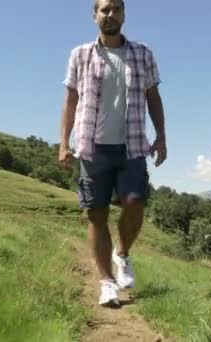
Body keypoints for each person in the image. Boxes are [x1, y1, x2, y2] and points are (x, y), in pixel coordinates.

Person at [58, 0, 167, 308]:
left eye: (116, 9)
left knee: (135, 202)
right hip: (92, 148)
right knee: (96, 214)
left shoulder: (142, 53)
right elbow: (70, 101)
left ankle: (123, 254)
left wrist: (161, 136)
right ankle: (106, 282)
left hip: (132, 145)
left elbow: (153, 96)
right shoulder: (79, 55)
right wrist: (64, 143)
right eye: (104, 10)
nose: (110, 15)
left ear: (124, 15)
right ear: (95, 16)